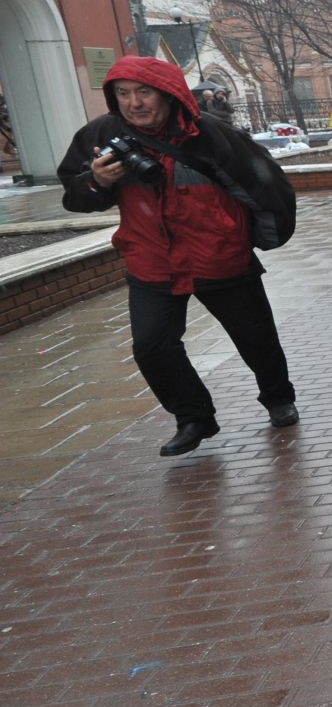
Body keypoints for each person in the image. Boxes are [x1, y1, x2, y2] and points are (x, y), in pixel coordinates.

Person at [56, 56, 300, 456]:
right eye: (123, 94)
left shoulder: (211, 134)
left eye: (143, 92)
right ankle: (193, 417)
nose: (133, 103)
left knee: (255, 337)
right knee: (152, 346)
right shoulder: (101, 133)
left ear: (168, 95)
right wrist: (96, 183)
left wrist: (254, 237)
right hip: (151, 259)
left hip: (218, 254)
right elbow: (73, 193)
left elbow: (266, 184)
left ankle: (278, 397)